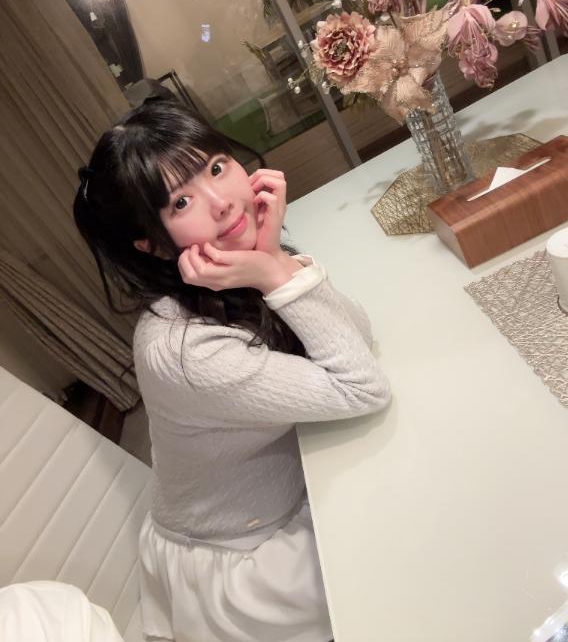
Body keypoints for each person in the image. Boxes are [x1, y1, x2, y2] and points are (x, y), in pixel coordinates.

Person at [73, 99, 391, 642]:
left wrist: (275, 260)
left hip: (299, 476)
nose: (221, 202)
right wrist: (273, 272)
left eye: (217, 167)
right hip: (248, 557)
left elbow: (359, 336)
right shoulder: (184, 351)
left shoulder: (235, 267)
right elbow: (362, 388)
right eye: (182, 201)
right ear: (152, 245)